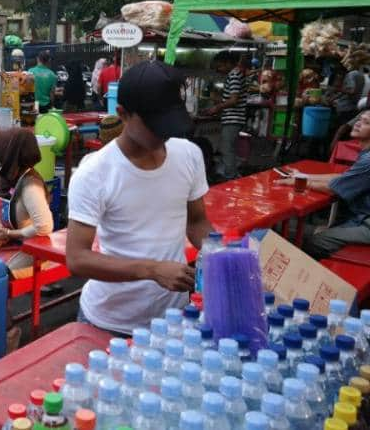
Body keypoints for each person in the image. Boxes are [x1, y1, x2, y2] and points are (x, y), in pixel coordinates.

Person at [65, 60, 212, 336]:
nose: (164, 133)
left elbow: (197, 221)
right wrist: (152, 270)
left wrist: (222, 256)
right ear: (122, 114)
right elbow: (77, 258)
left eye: (170, 123)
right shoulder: (95, 173)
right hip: (110, 323)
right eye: (155, 125)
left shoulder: (188, 155)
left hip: (172, 319)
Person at [277, 110, 370, 259]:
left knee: (315, 242)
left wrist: (298, 183)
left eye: (366, 122)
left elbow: (333, 188)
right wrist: (303, 176)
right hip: (361, 217)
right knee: (320, 230)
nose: (358, 123)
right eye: (359, 119)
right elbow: (343, 178)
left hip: (366, 223)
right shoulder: (366, 154)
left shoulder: (368, 160)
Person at [0, 128, 53, 279]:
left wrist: (9, 234)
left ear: (11, 154)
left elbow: (44, 226)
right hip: (0, 238)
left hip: (26, 246)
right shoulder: (3, 173)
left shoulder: (30, 186)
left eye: (0, 151)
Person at [206, 51, 247, 180]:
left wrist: (217, 108)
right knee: (229, 148)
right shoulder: (235, 74)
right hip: (233, 118)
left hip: (233, 119)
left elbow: (233, 100)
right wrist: (217, 99)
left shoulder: (234, 75)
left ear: (228, 63)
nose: (218, 70)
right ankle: (232, 173)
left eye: (219, 66)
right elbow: (232, 98)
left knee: (227, 148)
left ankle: (230, 177)